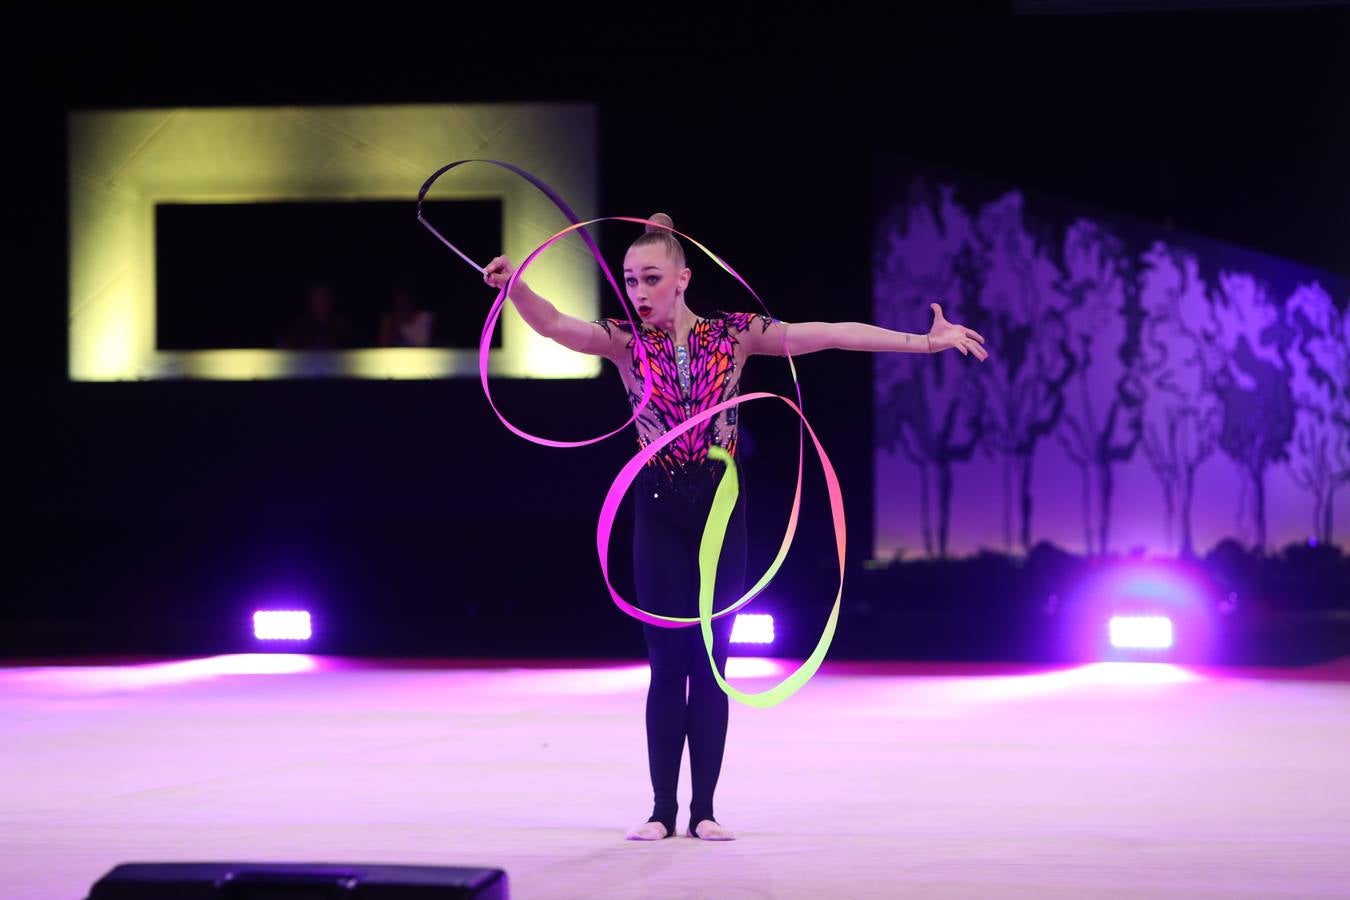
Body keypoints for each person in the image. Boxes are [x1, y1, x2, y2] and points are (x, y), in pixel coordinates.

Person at [482, 213, 987, 843]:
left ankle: (705, 811)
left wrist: (922, 341)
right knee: (668, 662)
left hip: (722, 507)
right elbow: (558, 326)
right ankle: (662, 810)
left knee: (714, 661)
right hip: (661, 506)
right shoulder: (624, 342)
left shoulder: (735, 334)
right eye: (631, 280)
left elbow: (826, 334)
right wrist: (517, 292)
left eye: (652, 279)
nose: (637, 292)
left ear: (683, 278)